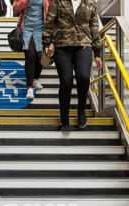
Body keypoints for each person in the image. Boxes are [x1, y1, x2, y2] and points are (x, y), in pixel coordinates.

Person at [43, 0, 103, 132]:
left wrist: (97, 52)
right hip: (62, 45)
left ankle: (81, 111)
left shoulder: (90, 2)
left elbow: (94, 26)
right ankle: (64, 118)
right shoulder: (58, 1)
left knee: (84, 77)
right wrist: (46, 43)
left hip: (84, 44)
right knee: (66, 81)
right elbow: (50, 22)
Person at [13, 0, 51, 100]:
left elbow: (51, 10)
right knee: (30, 56)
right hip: (26, 28)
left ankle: (35, 79)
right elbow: (15, 8)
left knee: (40, 56)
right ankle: (29, 87)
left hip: (41, 29)